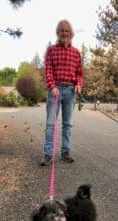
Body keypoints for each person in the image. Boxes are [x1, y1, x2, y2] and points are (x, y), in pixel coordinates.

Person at [40, 19, 83, 166]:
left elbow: (79, 73)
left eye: (67, 31)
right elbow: (48, 70)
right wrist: (52, 86)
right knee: (51, 123)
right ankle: (48, 153)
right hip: (55, 90)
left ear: (71, 34)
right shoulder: (51, 50)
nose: (64, 33)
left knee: (67, 124)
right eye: (61, 31)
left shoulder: (76, 53)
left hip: (70, 91)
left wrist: (78, 85)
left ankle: (65, 152)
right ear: (57, 33)